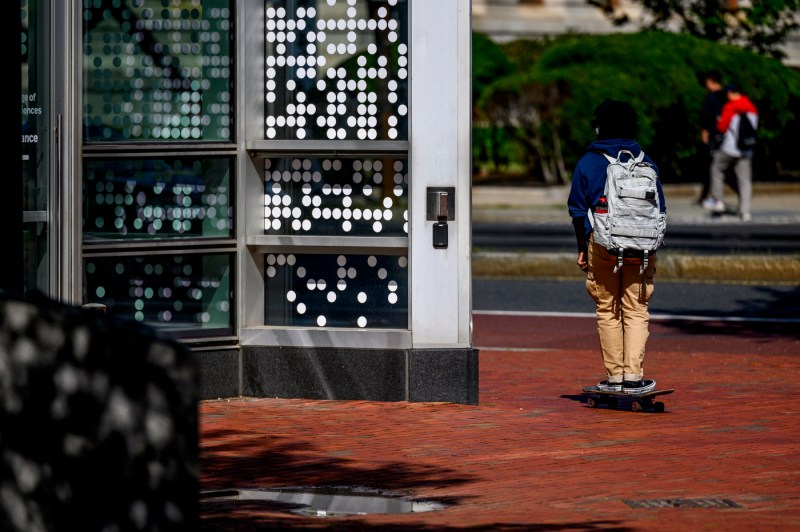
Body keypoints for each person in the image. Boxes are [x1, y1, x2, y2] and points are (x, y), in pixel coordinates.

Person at [567, 99, 666, 395]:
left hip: (603, 244)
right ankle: (635, 378)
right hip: (642, 248)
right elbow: (659, 208)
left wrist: (583, 246)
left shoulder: (589, 161)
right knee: (636, 309)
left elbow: (576, 209)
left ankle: (615, 378)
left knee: (608, 309)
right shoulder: (647, 162)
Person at [703, 83, 758, 222]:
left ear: (732, 93)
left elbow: (721, 127)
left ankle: (718, 200)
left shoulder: (730, 107)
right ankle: (745, 212)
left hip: (729, 148)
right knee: (745, 180)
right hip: (746, 150)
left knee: (716, 169)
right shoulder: (751, 108)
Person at [697, 70, 727, 204]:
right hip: (726, 135)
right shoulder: (727, 96)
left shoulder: (710, 98)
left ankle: (712, 197)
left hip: (714, 136)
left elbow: (705, 115)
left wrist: (704, 131)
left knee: (713, 166)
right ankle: (705, 196)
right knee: (716, 166)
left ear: (710, 81)